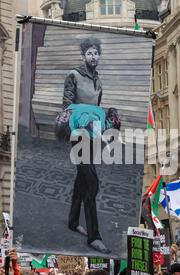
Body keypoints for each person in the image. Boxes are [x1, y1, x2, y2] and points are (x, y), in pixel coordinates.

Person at [60, 37, 120, 254]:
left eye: (96, 53)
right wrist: (80, 120)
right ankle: (94, 237)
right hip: (78, 134)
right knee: (92, 183)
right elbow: (67, 105)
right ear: (83, 55)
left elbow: (97, 107)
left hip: (93, 134)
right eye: (90, 53)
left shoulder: (98, 80)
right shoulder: (73, 75)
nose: (93, 56)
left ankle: (73, 221)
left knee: (81, 180)